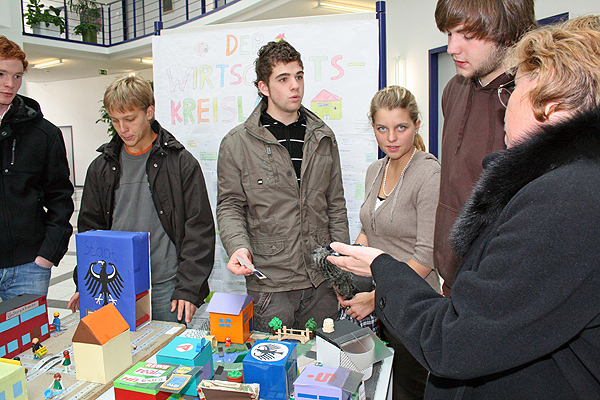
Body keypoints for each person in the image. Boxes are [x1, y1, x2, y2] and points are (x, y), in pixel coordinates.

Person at [328, 17, 600, 398]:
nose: (503, 105)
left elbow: (454, 340)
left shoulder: (566, 201)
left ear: (549, 106)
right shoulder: (564, 184)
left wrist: (381, 269)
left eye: (514, 88)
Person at [217, 40, 349, 332]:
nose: (295, 86)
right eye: (284, 79)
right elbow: (230, 206)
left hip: (321, 282)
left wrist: (342, 273)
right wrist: (238, 247)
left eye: (299, 76)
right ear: (263, 87)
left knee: (319, 370)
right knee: (272, 368)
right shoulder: (237, 143)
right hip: (271, 284)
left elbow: (335, 205)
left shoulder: (323, 136)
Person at [69, 75, 215, 323]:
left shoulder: (180, 163)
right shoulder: (101, 167)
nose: (123, 129)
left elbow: (198, 229)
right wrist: (85, 282)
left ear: (149, 112)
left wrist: (188, 288)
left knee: (168, 360)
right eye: (115, 120)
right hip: (115, 287)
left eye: (130, 119)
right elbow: (90, 230)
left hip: (166, 288)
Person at [337, 86, 439, 400]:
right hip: (375, 300)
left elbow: (427, 255)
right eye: (382, 128)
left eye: (400, 128)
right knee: (370, 387)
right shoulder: (374, 170)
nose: (391, 138)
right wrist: (346, 274)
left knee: (407, 391)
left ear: (417, 125)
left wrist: (377, 296)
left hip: (413, 306)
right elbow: (369, 230)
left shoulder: (428, 173)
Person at [433, 0, 536, 296]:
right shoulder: (453, 89)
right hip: (453, 281)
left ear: (506, 32)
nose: (452, 47)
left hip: (502, 289)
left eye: (467, 35)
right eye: (449, 34)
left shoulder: (532, 99)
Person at [0, 36, 74, 301]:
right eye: (2, 74)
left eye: (17, 76)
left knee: (27, 343)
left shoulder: (45, 134)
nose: (10, 84)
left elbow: (61, 198)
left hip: (29, 268)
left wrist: (47, 255)